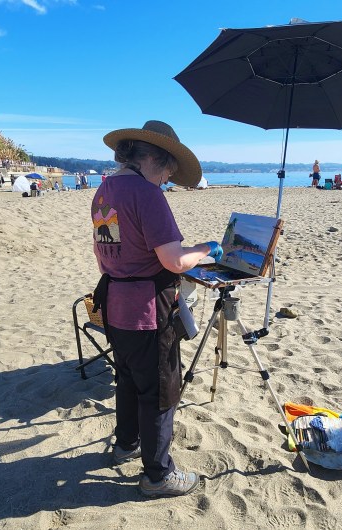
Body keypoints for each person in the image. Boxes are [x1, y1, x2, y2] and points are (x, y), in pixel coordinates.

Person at [92, 120, 223, 498]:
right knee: (161, 390)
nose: (167, 179)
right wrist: (207, 248)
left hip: (114, 301)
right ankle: (157, 475)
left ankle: (126, 444)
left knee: (130, 380)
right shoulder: (147, 195)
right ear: (155, 158)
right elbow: (174, 262)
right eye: (168, 170)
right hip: (147, 309)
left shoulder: (104, 189)